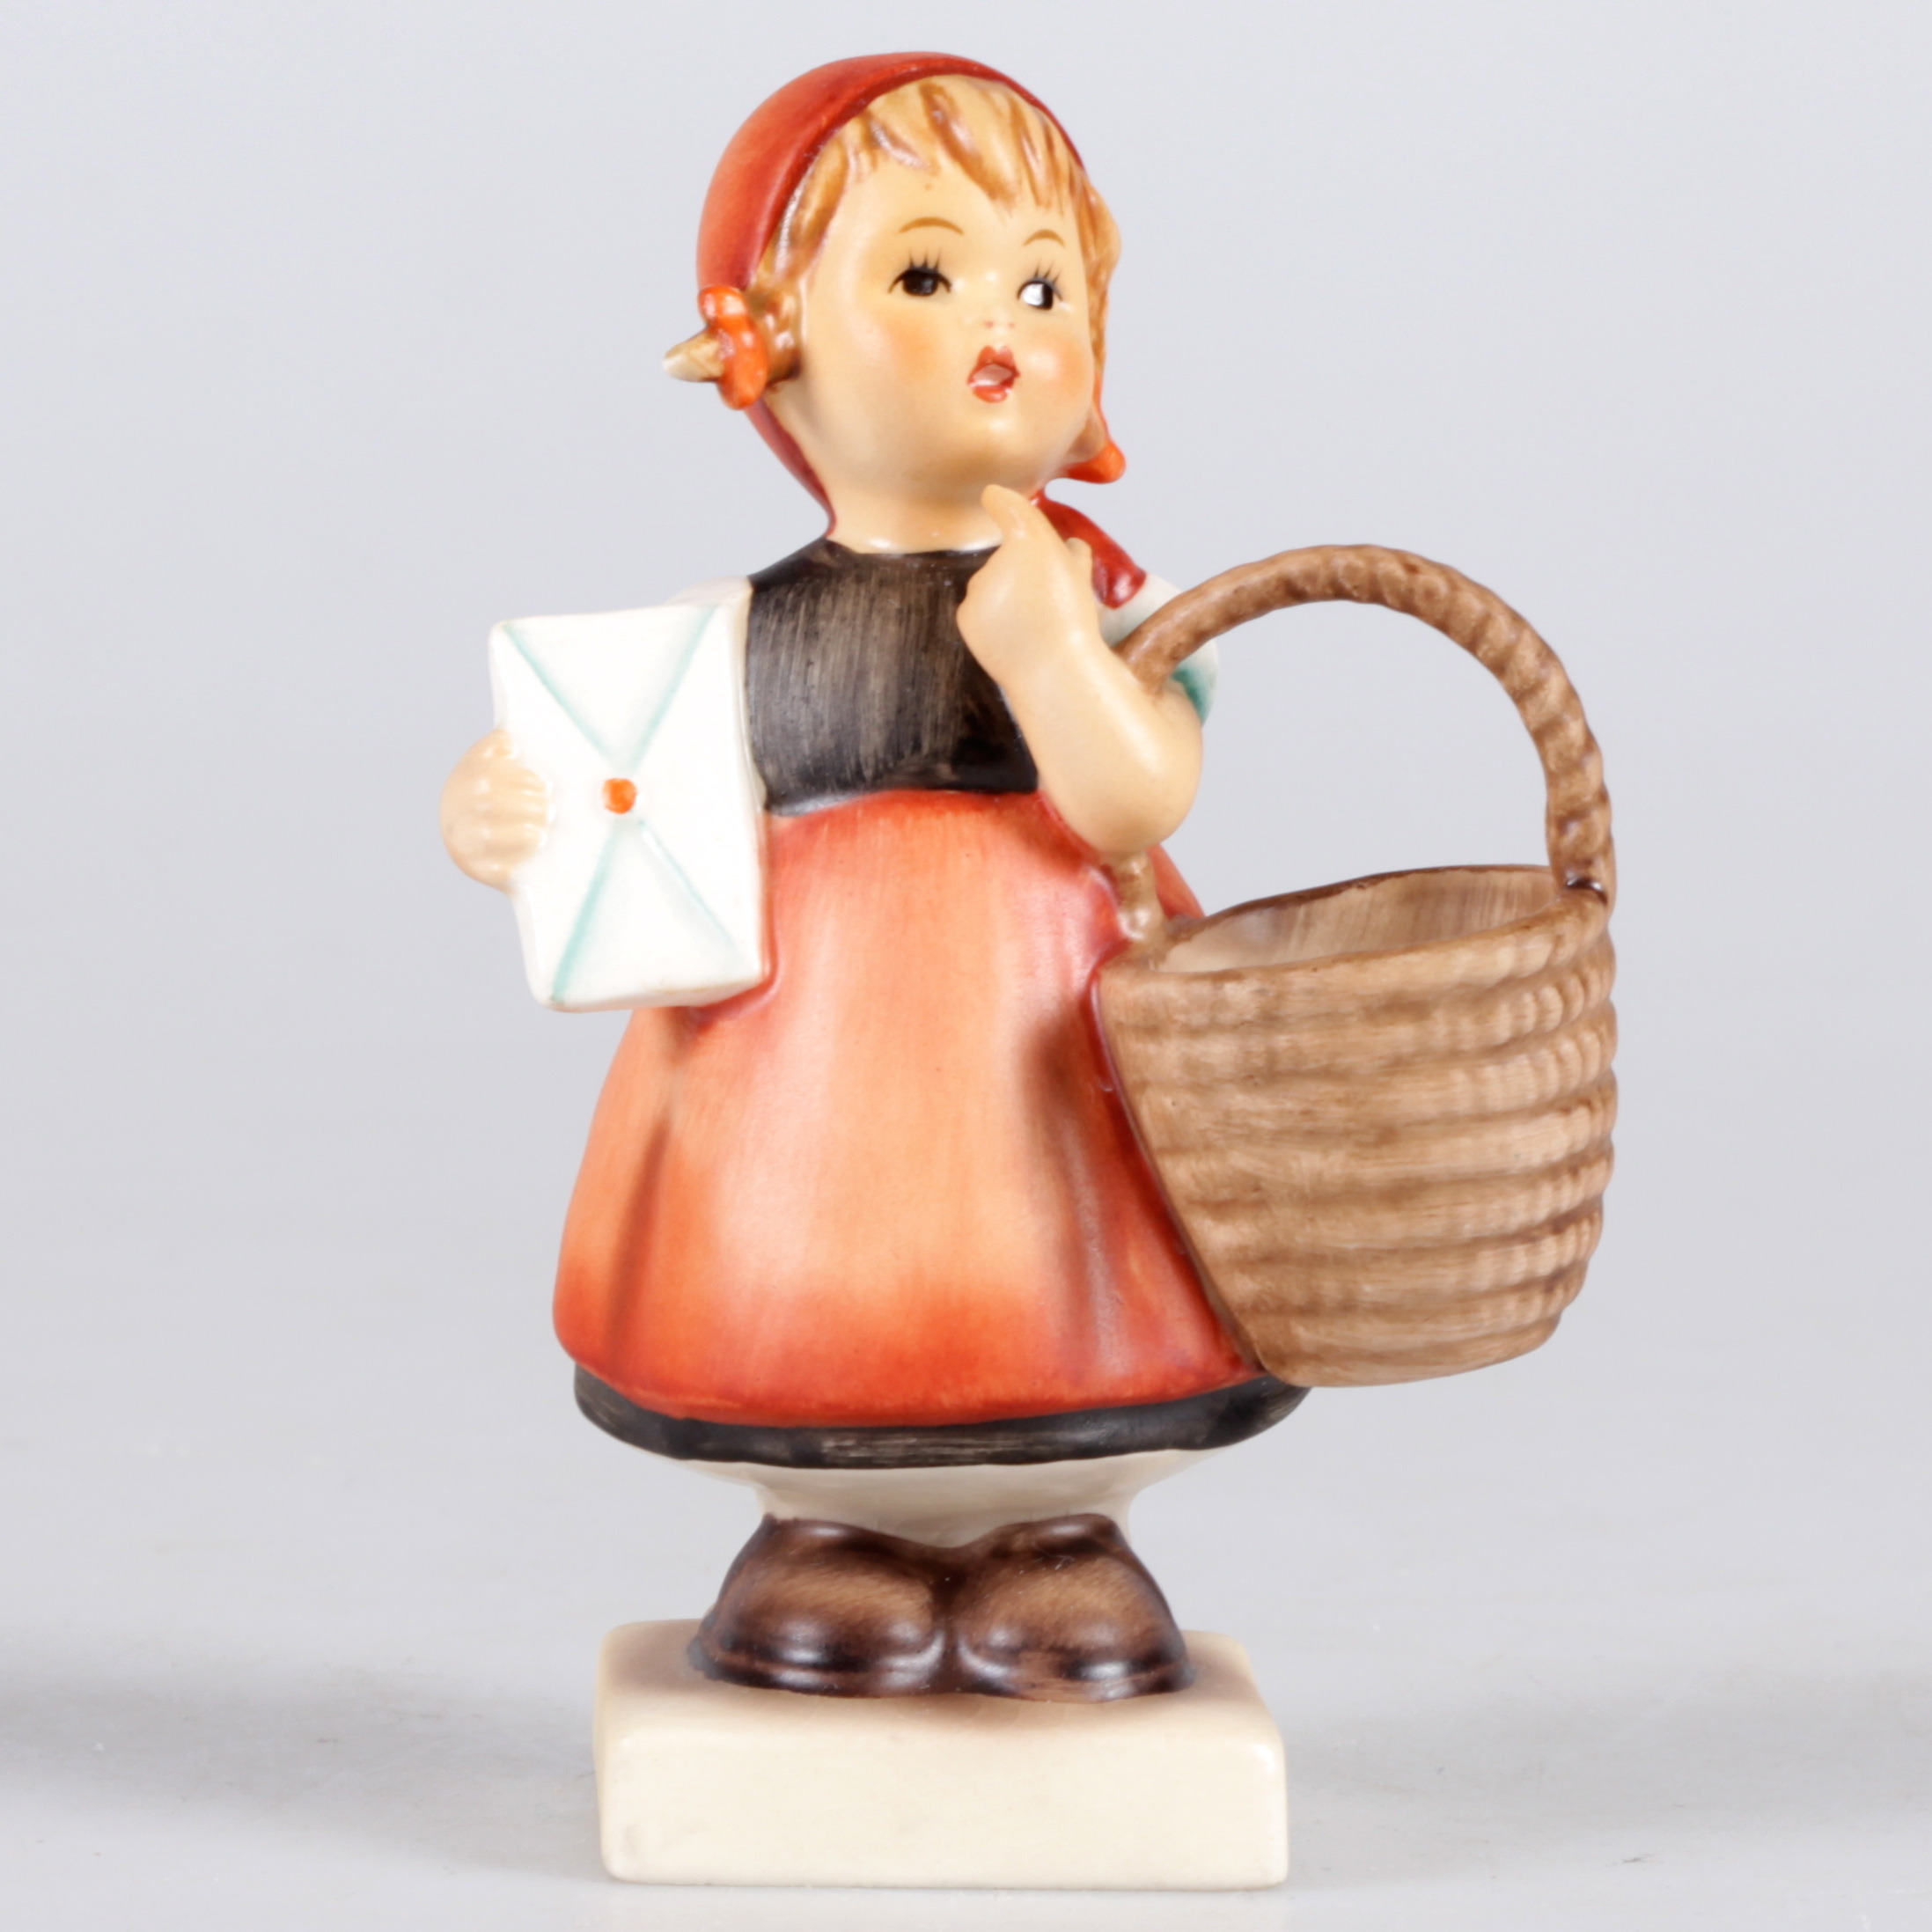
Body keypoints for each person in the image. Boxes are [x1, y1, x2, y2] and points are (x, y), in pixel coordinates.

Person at [441, 54, 1304, 1702]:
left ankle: (1058, 1541)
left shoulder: (1111, 606)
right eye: (923, 274)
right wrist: (498, 814)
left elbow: (1134, 797)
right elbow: (603, 784)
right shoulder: (729, 629)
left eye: (1043, 285)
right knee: (797, 1312)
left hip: (1064, 1053)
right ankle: (829, 1538)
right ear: (770, 345)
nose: (1000, 321)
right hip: (795, 1073)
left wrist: (1051, 653)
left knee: (1084, 1298)